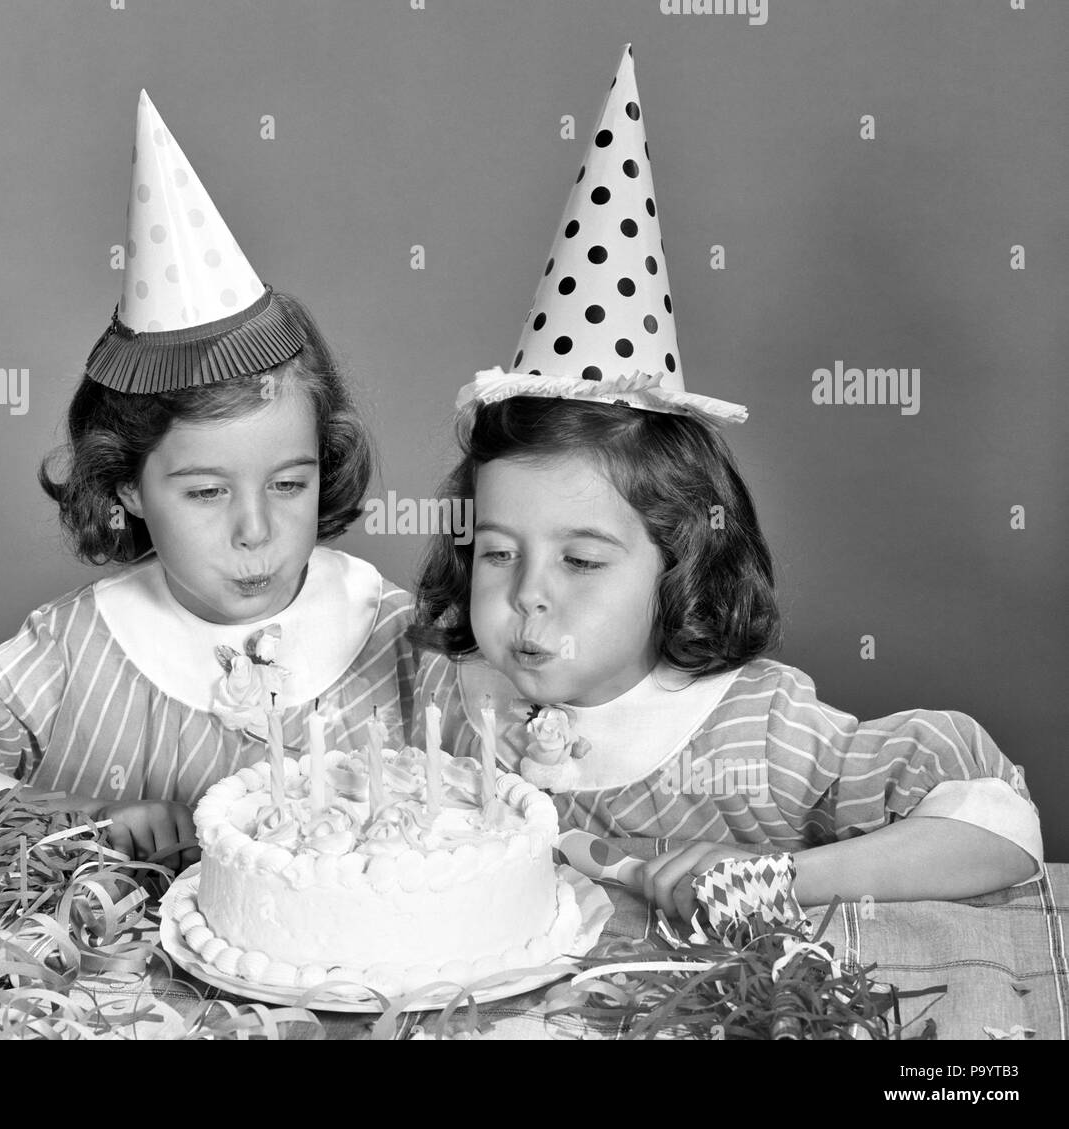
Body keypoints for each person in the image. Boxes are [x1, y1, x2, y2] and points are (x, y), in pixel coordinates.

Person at [407, 47, 1042, 923]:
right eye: (497, 552)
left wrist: (783, 878)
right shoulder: (452, 694)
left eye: (582, 562)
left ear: (681, 559)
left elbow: (998, 825)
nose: (526, 599)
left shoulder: (757, 735)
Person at [0, 92, 415, 871]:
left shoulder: (393, 641)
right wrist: (82, 816)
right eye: (206, 491)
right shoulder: (73, 652)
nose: (255, 529)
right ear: (125, 484)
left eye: (290, 483)